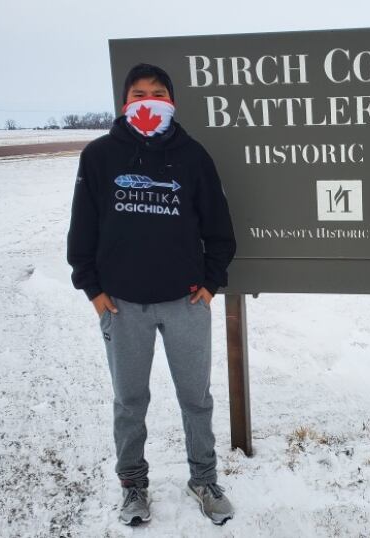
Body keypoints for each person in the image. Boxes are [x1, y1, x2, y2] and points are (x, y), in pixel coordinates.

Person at [66, 63, 237, 526]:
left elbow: (220, 231)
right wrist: (94, 291)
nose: (148, 99)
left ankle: (203, 478)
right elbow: (82, 230)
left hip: (185, 303)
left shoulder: (194, 156)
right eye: (138, 93)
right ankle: (133, 485)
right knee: (129, 402)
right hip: (122, 307)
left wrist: (210, 284)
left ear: (172, 101)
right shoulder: (99, 156)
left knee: (196, 399)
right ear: (125, 103)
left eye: (158, 92)